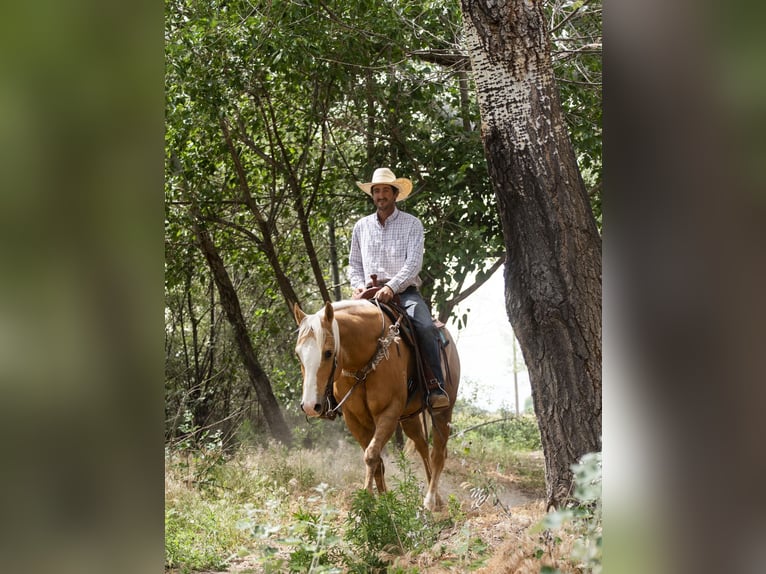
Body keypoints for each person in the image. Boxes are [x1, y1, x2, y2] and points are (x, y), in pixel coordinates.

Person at [349, 167, 450, 410]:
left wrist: (392, 287)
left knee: (425, 327)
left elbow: (413, 264)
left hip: (404, 293)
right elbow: (353, 264)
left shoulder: (412, 224)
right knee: (337, 329)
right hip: (367, 294)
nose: (380, 195)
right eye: (376, 191)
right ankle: (335, 395)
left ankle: (434, 387)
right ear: (372, 195)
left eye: (385, 190)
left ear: (395, 194)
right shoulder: (361, 227)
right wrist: (358, 286)